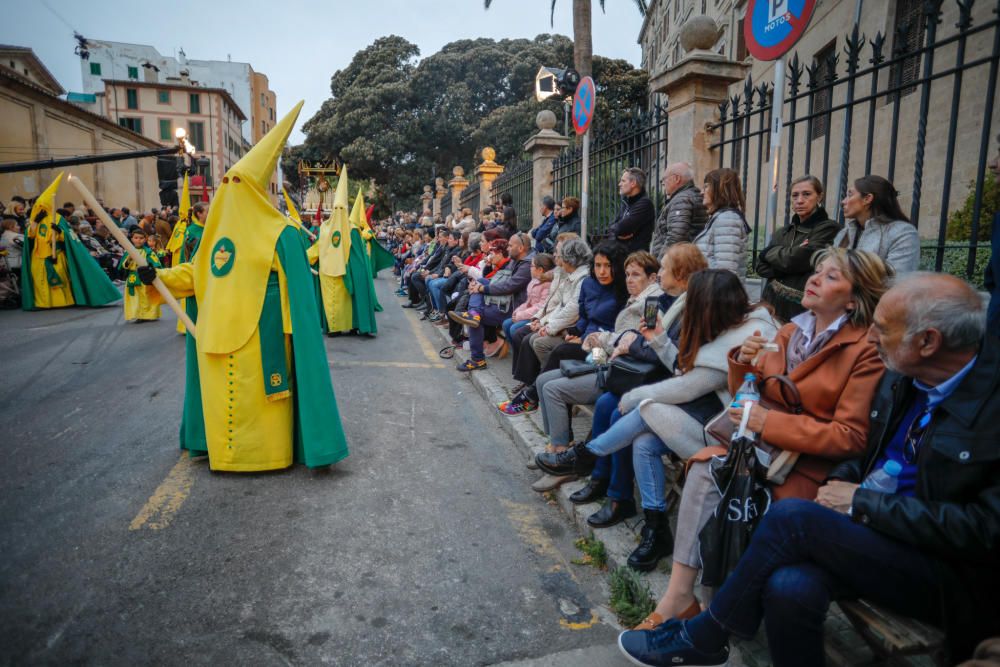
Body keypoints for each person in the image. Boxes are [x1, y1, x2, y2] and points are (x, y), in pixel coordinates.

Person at [618, 272, 998, 667]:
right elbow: (868, 452)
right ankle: (697, 618)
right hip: (867, 523)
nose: (871, 337)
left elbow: (984, 530)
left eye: (883, 329)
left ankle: (707, 634)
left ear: (928, 342)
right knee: (789, 587)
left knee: (791, 518)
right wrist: (842, 485)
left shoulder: (986, 409)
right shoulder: (904, 378)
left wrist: (860, 501)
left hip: (939, 568)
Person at [621, 248, 891, 639]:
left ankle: (711, 618)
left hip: (804, 468)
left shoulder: (864, 349)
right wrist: (743, 364)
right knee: (704, 466)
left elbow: (851, 436)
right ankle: (683, 599)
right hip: (759, 452)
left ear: (853, 299)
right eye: (817, 270)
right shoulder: (790, 331)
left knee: (708, 472)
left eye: (831, 276)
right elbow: (746, 396)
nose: (814, 279)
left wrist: (769, 422)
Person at [138, 100, 348, 472]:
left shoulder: (282, 233)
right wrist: (158, 276)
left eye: (239, 184)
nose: (230, 190)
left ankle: (269, 455)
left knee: (259, 397)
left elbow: (298, 295)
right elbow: (195, 274)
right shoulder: (212, 235)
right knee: (222, 399)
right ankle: (224, 454)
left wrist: (292, 332)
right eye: (226, 184)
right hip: (216, 335)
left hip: (263, 335)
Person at [536, 269, 780, 570]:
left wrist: (635, 396)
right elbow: (682, 370)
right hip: (706, 416)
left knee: (645, 409)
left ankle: (587, 455)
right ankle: (656, 527)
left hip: (732, 437)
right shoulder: (728, 325)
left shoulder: (746, 335)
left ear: (709, 306)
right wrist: (660, 340)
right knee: (644, 441)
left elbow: (685, 386)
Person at [556, 243, 709, 509]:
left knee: (614, 409)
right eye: (627, 274)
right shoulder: (661, 300)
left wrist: (624, 343)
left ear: (681, 274)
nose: (660, 274)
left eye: (663, 269)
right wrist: (618, 341)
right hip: (629, 367)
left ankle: (617, 493)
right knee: (604, 402)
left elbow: (655, 348)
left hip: (654, 378)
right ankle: (598, 476)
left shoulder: (677, 305)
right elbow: (643, 340)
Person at [501, 237, 596, 394]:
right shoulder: (566, 275)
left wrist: (549, 326)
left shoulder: (581, 279)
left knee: (533, 340)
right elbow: (556, 304)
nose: (556, 256)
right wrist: (539, 320)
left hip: (582, 335)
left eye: (559, 254)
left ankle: (541, 384)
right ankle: (533, 383)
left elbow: (572, 310)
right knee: (523, 334)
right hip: (567, 326)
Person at [20, 173, 120, 311]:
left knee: (60, 277)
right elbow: (30, 236)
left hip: (56, 254)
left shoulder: (58, 218)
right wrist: (35, 222)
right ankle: (43, 303)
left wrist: (59, 231)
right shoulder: (34, 219)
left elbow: (68, 236)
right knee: (39, 279)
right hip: (38, 257)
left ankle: (62, 301)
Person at [757, 175, 841, 321]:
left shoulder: (828, 228)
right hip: (770, 304)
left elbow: (798, 259)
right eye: (795, 195)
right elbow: (760, 267)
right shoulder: (783, 232)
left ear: (819, 197)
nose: (800, 200)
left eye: (806, 194)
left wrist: (768, 253)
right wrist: (790, 263)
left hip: (802, 311)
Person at [450, 233, 533, 371]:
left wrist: (482, 288)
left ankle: (477, 359)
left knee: (477, 316)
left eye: (510, 246)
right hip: (505, 302)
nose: (508, 248)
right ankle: (474, 313)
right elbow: (499, 281)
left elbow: (510, 286)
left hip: (516, 308)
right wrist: (479, 284)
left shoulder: (527, 264)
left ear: (520, 248)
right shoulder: (517, 259)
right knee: (481, 281)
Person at [835, 174, 920, 274]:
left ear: (867, 199)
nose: (843, 202)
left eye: (850, 195)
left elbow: (898, 277)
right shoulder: (845, 233)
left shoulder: (903, 233)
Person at [693, 168, 751, 279]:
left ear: (719, 189)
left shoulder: (727, 219)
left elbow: (725, 273)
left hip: (715, 289)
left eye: (706, 186)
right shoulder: (720, 217)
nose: (701, 192)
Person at [650, 163, 708, 259]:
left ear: (676, 179)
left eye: (664, 179)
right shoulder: (690, 195)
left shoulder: (681, 200)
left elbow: (675, 237)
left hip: (676, 262)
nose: (663, 183)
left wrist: (660, 263)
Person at [501, 253, 555, 346]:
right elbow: (528, 302)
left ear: (540, 270)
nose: (530, 268)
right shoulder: (534, 281)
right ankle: (516, 351)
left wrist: (521, 315)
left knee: (514, 329)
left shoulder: (548, 285)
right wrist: (517, 311)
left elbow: (540, 307)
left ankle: (520, 352)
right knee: (506, 324)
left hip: (538, 317)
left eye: (532, 266)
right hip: (529, 314)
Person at [118, 228, 162, 322]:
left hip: (144, 277)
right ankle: (138, 314)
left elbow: (155, 262)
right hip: (132, 277)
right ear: (132, 239)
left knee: (146, 296)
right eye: (136, 238)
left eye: (141, 238)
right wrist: (129, 259)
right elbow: (123, 265)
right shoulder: (128, 251)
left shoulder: (148, 251)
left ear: (145, 239)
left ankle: (149, 315)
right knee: (135, 297)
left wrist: (153, 269)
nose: (138, 240)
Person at [609, 168, 655, 252]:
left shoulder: (645, 204)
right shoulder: (626, 203)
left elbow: (621, 229)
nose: (619, 184)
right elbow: (613, 228)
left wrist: (617, 230)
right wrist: (616, 232)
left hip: (636, 257)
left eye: (623, 181)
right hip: (622, 254)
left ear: (633, 183)